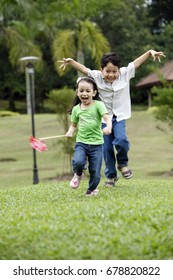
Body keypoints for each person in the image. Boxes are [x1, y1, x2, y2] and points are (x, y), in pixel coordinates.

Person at [58, 49, 165, 187]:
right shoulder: (96, 77)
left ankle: (122, 163)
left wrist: (150, 52)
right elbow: (84, 70)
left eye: (114, 71)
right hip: (103, 119)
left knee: (121, 140)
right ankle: (111, 176)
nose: (111, 74)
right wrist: (71, 62)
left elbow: (136, 64)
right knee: (107, 148)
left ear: (119, 70)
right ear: (101, 70)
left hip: (120, 116)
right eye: (107, 71)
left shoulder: (124, 75)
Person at [66, 76, 112, 196]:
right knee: (78, 162)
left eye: (87, 91)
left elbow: (107, 118)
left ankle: (91, 189)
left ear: (94, 92)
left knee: (95, 172)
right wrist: (70, 131)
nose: (84, 93)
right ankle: (78, 174)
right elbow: (74, 125)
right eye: (81, 91)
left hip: (97, 144)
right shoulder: (76, 109)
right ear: (77, 92)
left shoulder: (98, 105)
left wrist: (108, 127)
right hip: (81, 142)